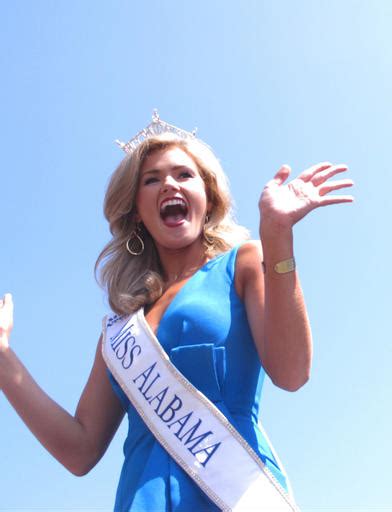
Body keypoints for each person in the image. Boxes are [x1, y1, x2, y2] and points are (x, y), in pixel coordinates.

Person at [0, 112, 353, 511]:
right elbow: (79, 449)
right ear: (135, 212)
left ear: (209, 197)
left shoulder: (243, 263)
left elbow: (292, 374)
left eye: (184, 175)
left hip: (234, 494)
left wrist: (277, 238)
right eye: (152, 179)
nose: (169, 183)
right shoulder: (121, 330)